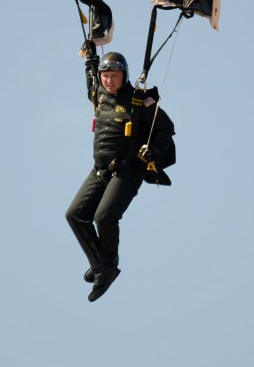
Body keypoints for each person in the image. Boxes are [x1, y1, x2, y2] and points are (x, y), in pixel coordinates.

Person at [65, 49, 175, 302]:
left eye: (114, 76)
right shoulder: (98, 94)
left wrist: (155, 151)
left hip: (128, 169)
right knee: (75, 215)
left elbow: (166, 128)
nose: (109, 81)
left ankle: (106, 267)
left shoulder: (139, 101)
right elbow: (90, 78)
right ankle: (102, 263)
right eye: (105, 76)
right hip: (100, 169)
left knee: (104, 217)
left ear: (124, 76)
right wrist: (90, 57)